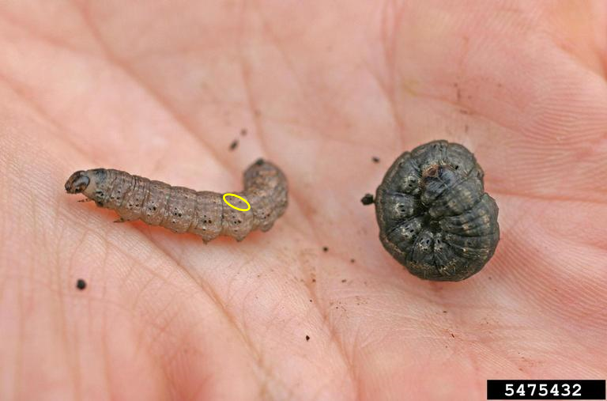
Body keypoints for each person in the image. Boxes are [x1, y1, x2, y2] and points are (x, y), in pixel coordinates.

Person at [0, 1, 605, 399]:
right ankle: (114, 188)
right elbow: (244, 208)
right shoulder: (271, 206)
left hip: (244, 210)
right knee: (215, 207)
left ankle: (118, 188)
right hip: (237, 208)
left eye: (265, 180)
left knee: (224, 209)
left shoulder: (425, 224)